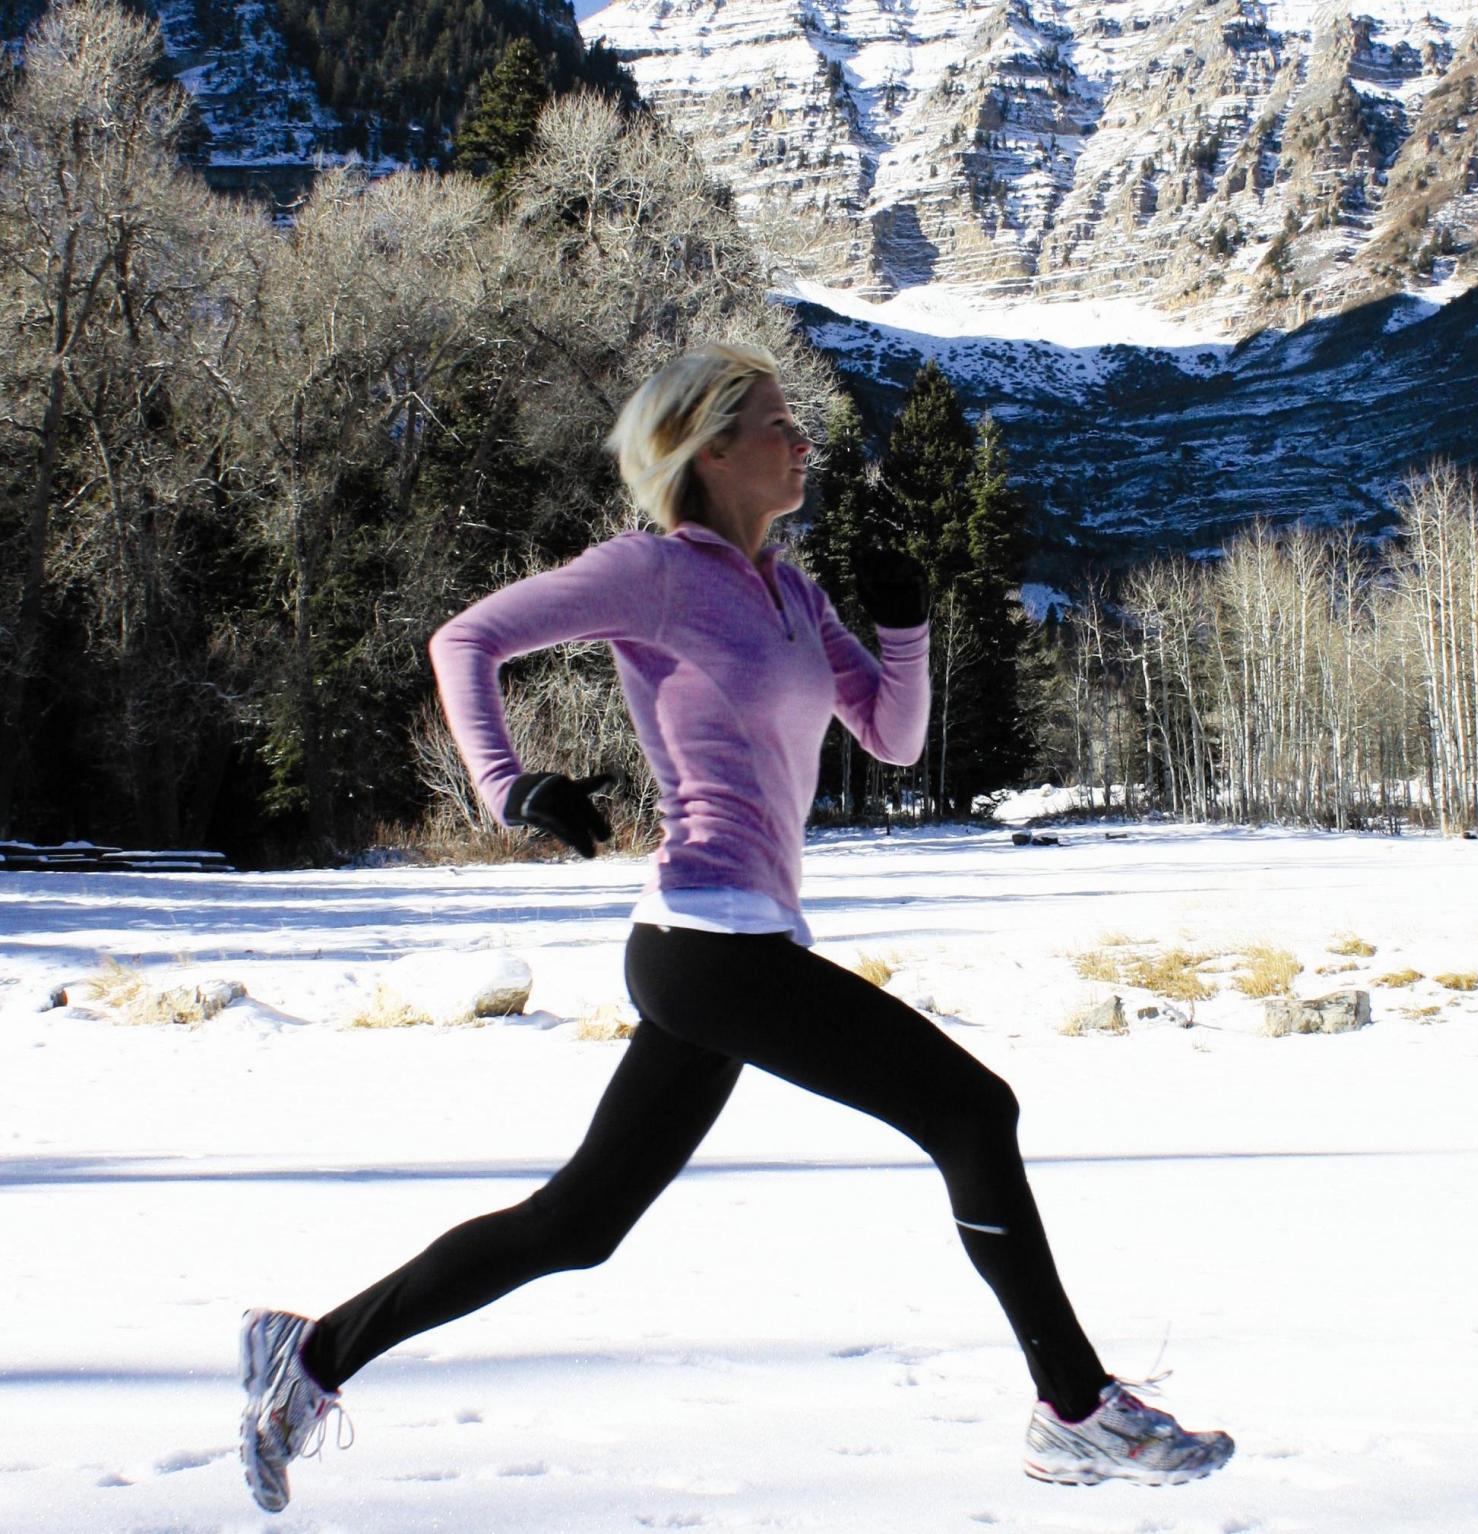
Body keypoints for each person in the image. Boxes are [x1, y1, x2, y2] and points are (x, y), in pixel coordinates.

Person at [237, 342, 1233, 1513]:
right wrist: (508, 786)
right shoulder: (653, 571)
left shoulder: (793, 591)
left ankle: (308, 1356)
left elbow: (894, 739)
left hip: (739, 944)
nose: (801, 441)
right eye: (775, 424)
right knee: (974, 1111)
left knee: (579, 1220)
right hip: (706, 943)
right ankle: (1074, 1410)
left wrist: (906, 624)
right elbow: (466, 641)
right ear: (706, 450)